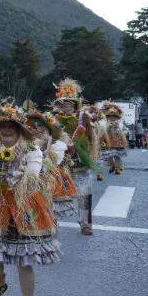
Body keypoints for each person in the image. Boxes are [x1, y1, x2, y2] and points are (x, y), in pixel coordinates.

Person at [53, 79, 99, 236]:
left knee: (84, 194)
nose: (65, 106)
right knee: (55, 192)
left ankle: (85, 224)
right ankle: (52, 222)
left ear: (74, 104)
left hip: (80, 160)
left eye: (68, 103)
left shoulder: (83, 116)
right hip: (60, 161)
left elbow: (91, 137)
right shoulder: (54, 118)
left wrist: (87, 152)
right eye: (62, 103)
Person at [99, 101, 129, 175]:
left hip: (117, 142)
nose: (112, 118)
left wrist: (118, 128)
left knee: (116, 155)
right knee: (108, 156)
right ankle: (112, 166)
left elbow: (123, 131)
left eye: (114, 117)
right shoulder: (105, 123)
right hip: (108, 141)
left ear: (117, 117)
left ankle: (119, 168)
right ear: (108, 117)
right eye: (110, 117)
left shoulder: (119, 123)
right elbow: (104, 131)